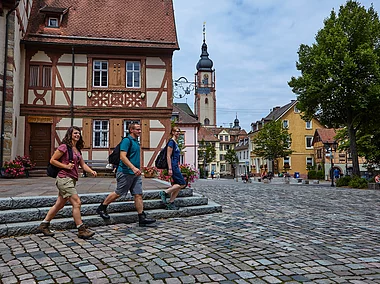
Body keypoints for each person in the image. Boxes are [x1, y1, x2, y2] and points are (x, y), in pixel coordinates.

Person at [38, 126, 97, 239]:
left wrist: (91, 171)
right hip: (64, 179)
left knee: (59, 204)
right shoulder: (64, 147)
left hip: (71, 179)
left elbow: (83, 164)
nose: (77, 135)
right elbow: (52, 160)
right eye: (75, 133)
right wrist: (65, 166)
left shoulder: (77, 149)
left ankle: (44, 225)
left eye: (78, 133)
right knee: (77, 202)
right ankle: (81, 229)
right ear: (70, 134)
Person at [96, 123, 156, 226]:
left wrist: (137, 169)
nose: (140, 131)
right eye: (137, 129)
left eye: (140, 129)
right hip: (125, 172)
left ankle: (141, 217)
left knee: (138, 194)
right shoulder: (126, 141)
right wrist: (133, 168)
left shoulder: (136, 142)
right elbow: (122, 157)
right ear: (131, 130)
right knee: (118, 192)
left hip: (135, 174)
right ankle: (102, 207)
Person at [159, 127, 187, 210]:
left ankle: (171, 203)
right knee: (182, 184)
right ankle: (164, 192)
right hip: (173, 166)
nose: (178, 133)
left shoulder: (175, 142)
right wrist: (170, 168)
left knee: (177, 185)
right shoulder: (171, 142)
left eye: (179, 131)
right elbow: (168, 156)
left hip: (175, 166)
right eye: (176, 131)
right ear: (172, 132)